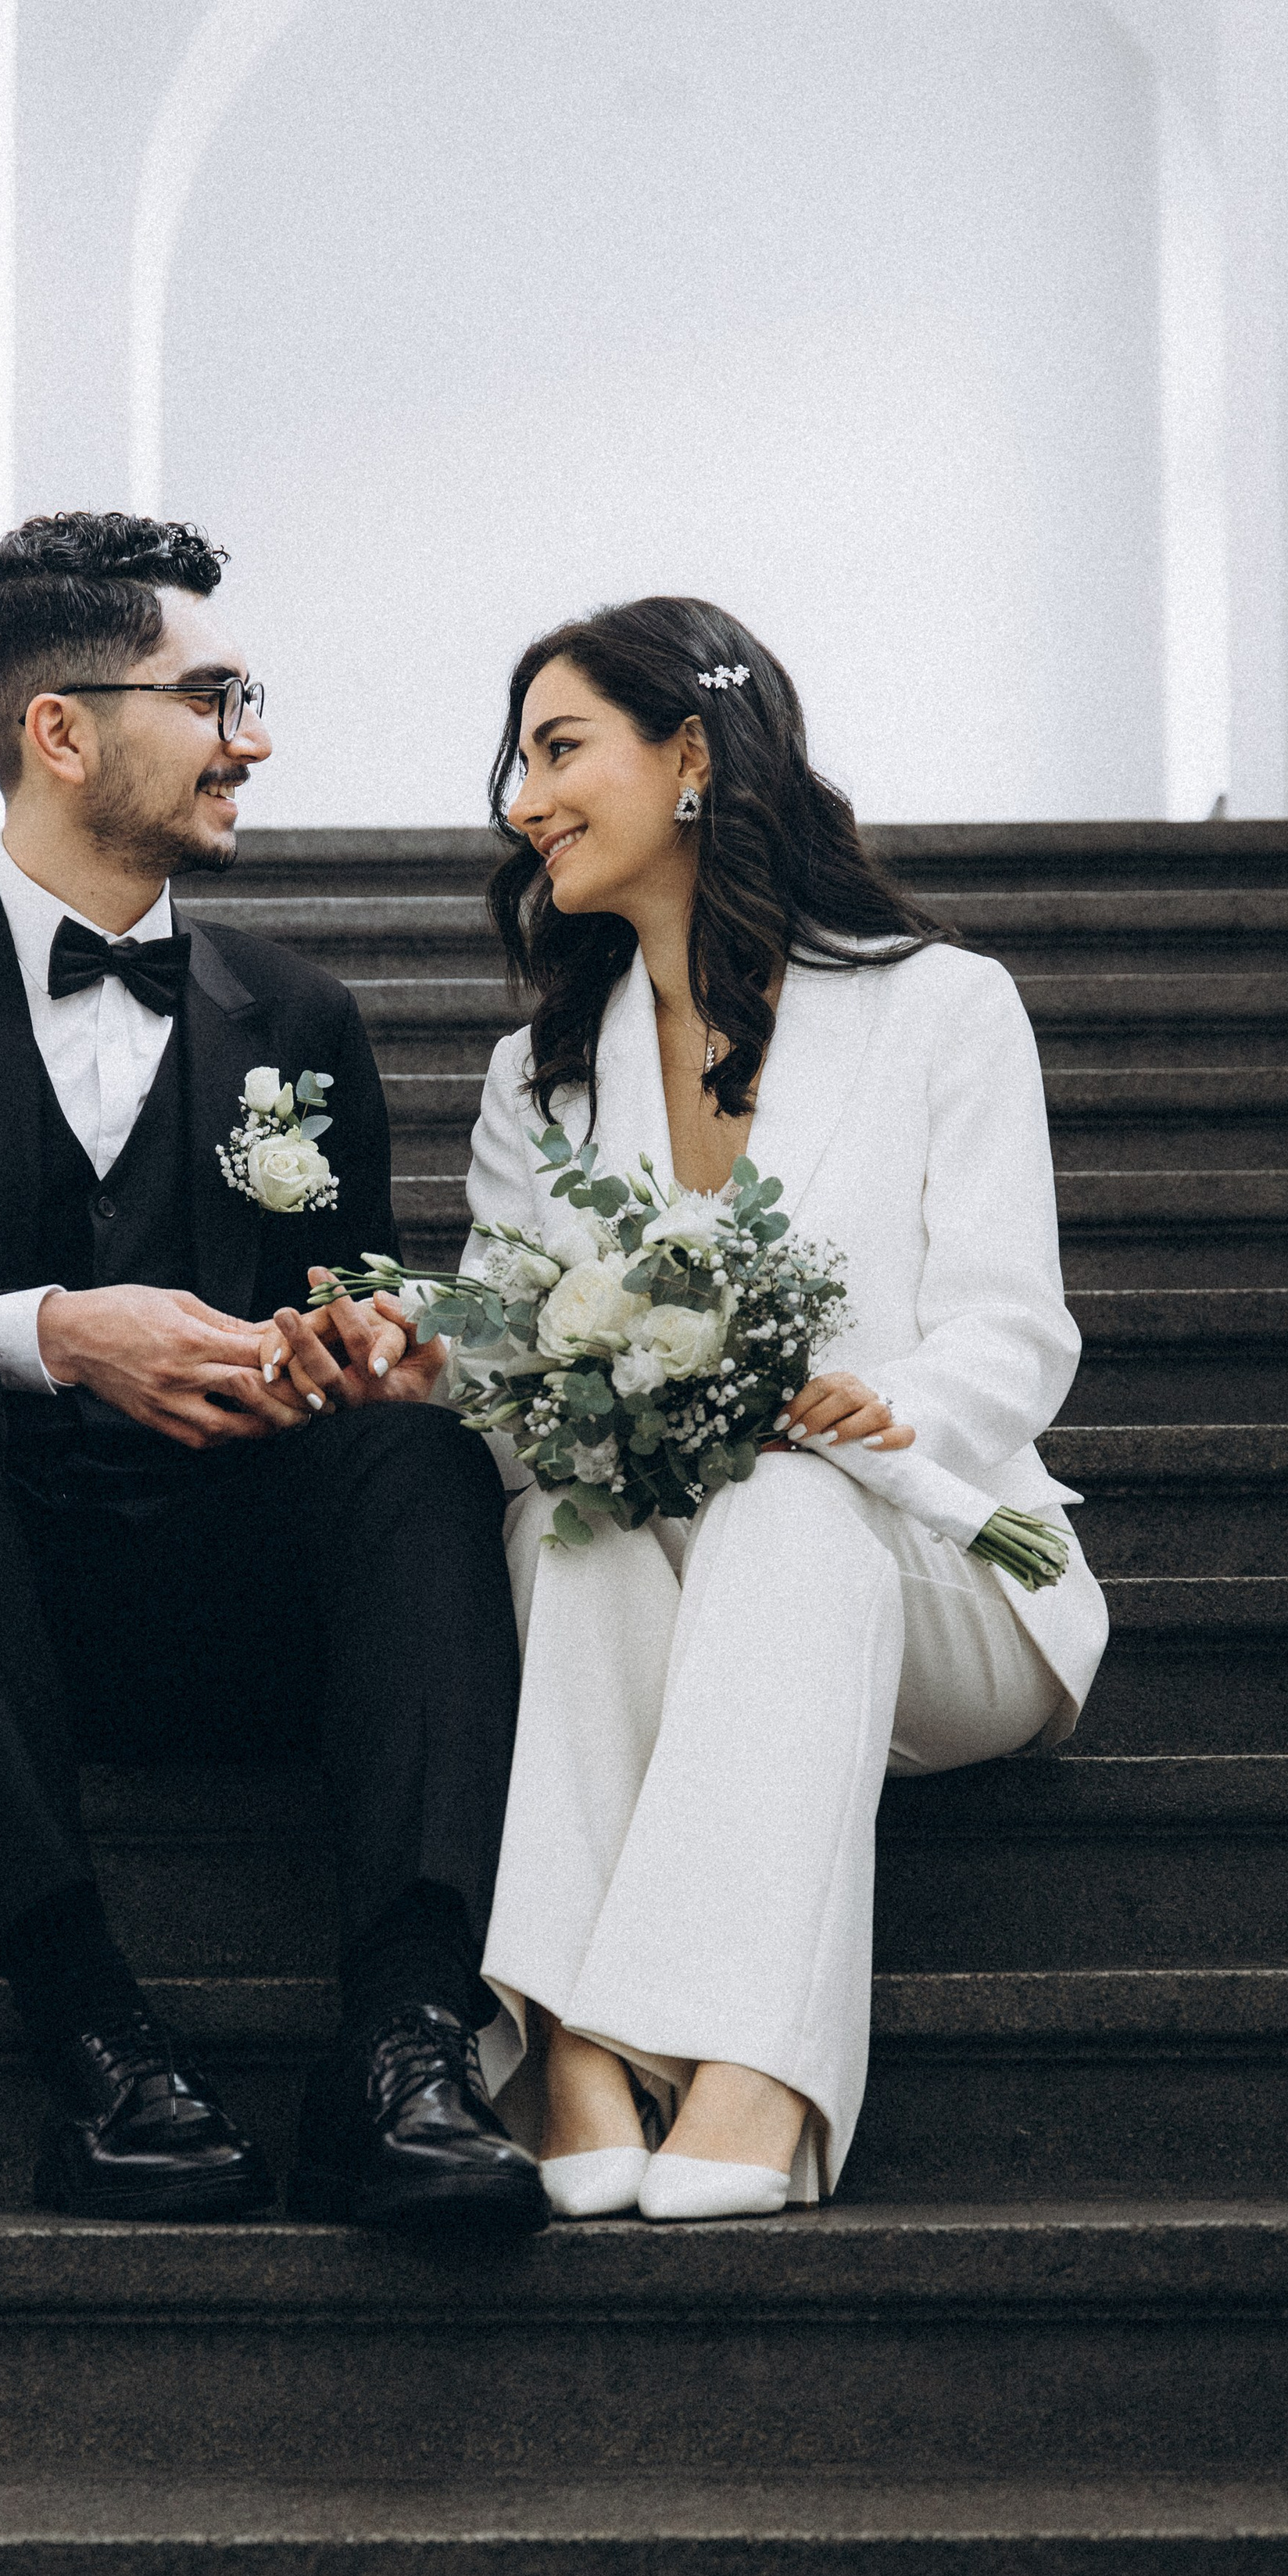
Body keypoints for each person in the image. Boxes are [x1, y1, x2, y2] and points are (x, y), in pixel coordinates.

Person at [0, 511, 547, 2240]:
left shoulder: (301, 1017)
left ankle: (404, 2048)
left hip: (195, 1603)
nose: (255, 737)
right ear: (59, 729)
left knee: (416, 1447)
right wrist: (42, 1329)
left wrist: (337, 1347)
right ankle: (93, 2036)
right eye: (214, 695)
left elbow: (330, 1305)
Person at [453, 596, 1109, 2220]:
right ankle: (578, 2051)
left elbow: (1013, 1334)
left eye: (557, 748)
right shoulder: (533, 1078)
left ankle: (750, 2067)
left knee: (791, 1500)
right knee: (576, 1524)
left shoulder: (940, 1004)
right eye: (513, 762)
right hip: (656, 1570)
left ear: (687, 756)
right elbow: (493, 1362)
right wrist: (562, 1397)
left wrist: (847, 1407)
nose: (520, 799)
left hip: (936, 1567)